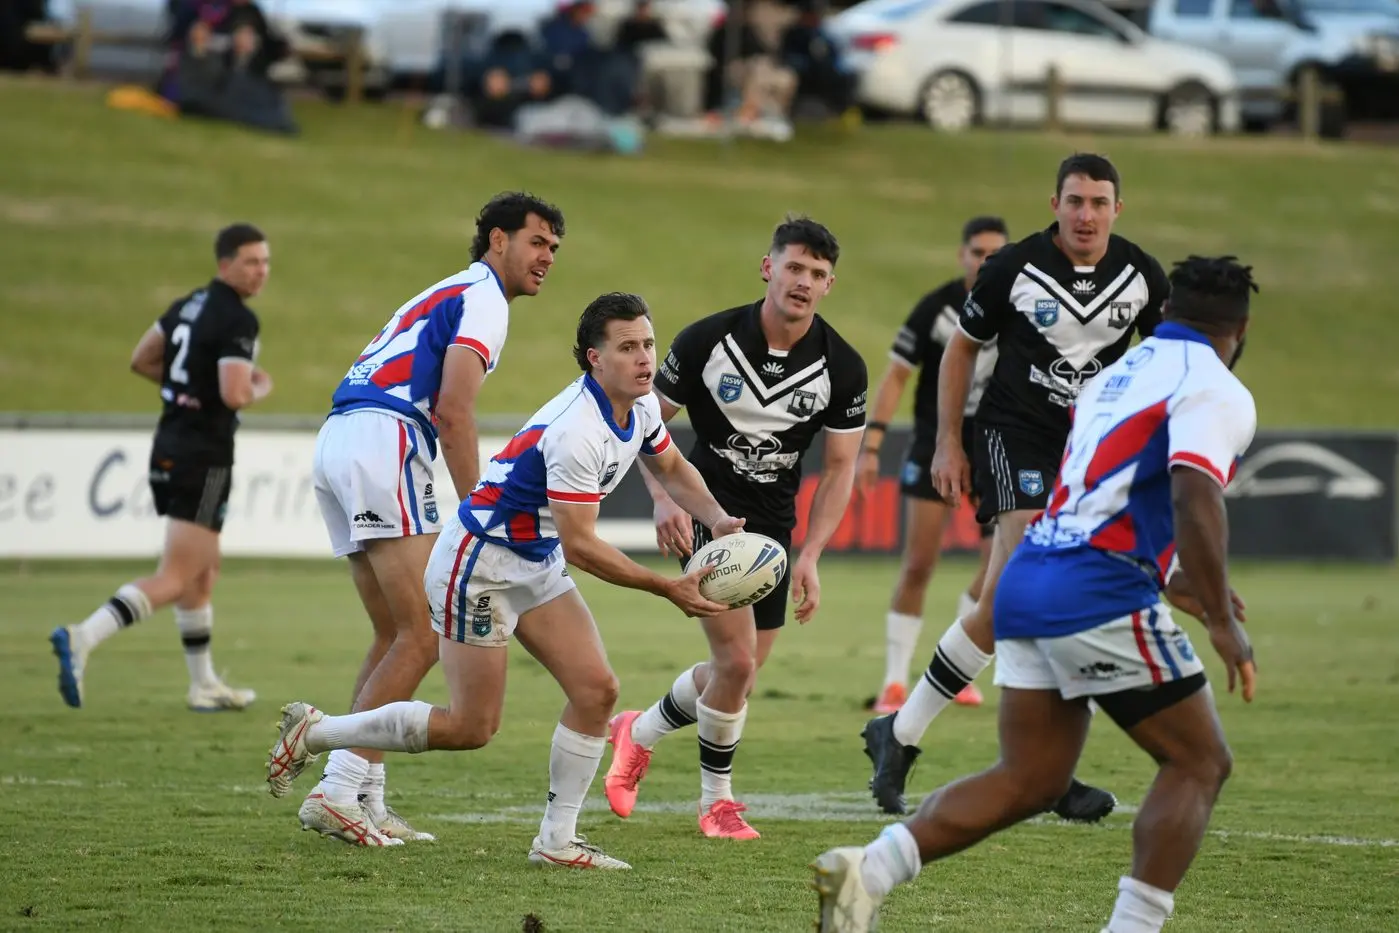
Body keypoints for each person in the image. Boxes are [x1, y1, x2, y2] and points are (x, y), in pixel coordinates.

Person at [812, 255, 1260, 933]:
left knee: (1032, 779)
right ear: (1240, 330)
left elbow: (1094, 494)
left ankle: (865, 870)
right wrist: (1223, 617)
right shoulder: (1215, 386)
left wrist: (1174, 579)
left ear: (1162, 314)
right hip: (1097, 588)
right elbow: (1193, 493)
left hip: (1025, 579)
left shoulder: (1115, 375)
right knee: (1198, 760)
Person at [266, 293, 741, 865]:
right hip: (481, 565)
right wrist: (667, 587)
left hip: (533, 560)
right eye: (628, 347)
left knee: (596, 691)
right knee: (471, 726)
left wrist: (715, 517)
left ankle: (556, 842)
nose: (645, 359)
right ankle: (317, 733)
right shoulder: (578, 430)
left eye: (648, 344)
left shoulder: (638, 409)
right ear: (594, 358)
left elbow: (671, 466)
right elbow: (583, 545)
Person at [861, 153, 1170, 822]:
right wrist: (948, 439)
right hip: (1013, 433)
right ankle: (1048, 774)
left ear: (1118, 208)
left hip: (1089, 451)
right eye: (1074, 200)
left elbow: (1164, 361)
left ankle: (900, 730)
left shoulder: (1141, 274)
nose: (1085, 213)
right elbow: (960, 349)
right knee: (1038, 579)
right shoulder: (1012, 267)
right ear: (1054, 204)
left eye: (1098, 201)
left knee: (1003, 600)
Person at [297, 193, 564, 846]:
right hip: (384, 436)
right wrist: (482, 511)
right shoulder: (484, 299)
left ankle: (364, 795)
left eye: (554, 249)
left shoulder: (452, 290)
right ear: (496, 239)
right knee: (421, 634)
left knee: (394, 631)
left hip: (342, 435)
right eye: (536, 242)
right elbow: (453, 409)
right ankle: (334, 789)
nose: (546, 257)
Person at [603, 216, 867, 840]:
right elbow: (642, 421)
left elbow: (839, 469)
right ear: (768, 267)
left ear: (830, 286)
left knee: (736, 675)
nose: (804, 282)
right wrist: (664, 499)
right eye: (795, 267)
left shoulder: (843, 366)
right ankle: (716, 804)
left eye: (818, 274)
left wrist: (811, 555)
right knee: (738, 664)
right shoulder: (706, 341)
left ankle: (636, 732)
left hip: (772, 532)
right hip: (708, 514)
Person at [50, 224, 273, 712]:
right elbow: (236, 393)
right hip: (204, 455)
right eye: (251, 261)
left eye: (265, 262)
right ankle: (83, 635)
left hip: (170, 443)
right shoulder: (236, 318)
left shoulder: (187, 305)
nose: (261, 272)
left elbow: (142, 358)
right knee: (177, 575)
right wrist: (259, 386)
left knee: (202, 573)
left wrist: (186, 388)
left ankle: (204, 684)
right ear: (225, 264)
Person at [859, 216, 1009, 716]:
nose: (984, 260)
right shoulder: (936, 308)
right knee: (919, 563)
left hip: (994, 447)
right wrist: (873, 443)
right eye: (977, 251)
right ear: (962, 255)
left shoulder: (1020, 308)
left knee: (996, 570)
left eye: (995, 252)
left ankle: (956, 668)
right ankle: (894, 683)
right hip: (933, 446)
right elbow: (896, 377)